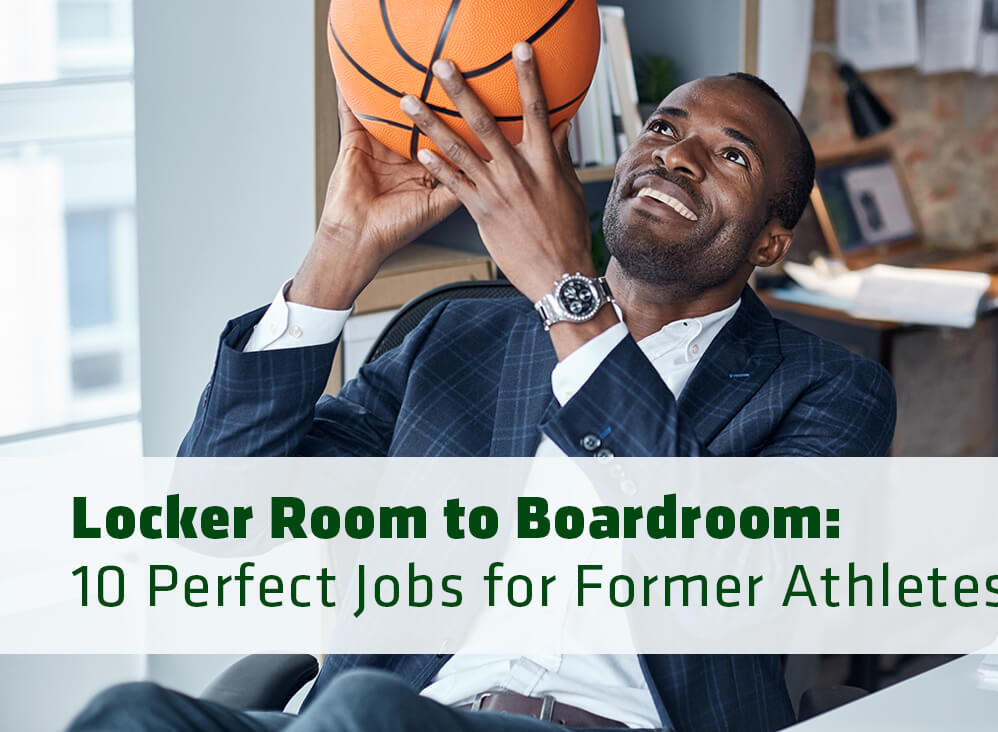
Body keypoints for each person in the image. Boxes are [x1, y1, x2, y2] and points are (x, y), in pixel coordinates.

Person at [70, 42, 894, 732]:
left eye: (730, 155)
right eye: (663, 127)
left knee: (366, 713)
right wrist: (338, 252)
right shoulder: (456, 336)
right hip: (401, 708)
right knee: (128, 713)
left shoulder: (829, 390)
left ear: (770, 242)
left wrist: (567, 293)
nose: (676, 154)